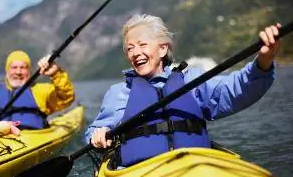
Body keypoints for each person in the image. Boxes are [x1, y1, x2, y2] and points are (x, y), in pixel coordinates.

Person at [85, 14, 282, 167]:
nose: (136, 53)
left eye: (142, 45)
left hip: (195, 166)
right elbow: (96, 131)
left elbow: (234, 89)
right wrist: (98, 135)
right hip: (141, 175)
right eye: (129, 48)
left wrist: (263, 61)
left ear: (162, 49)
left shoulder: (191, 80)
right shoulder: (120, 92)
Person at [0, 50, 75, 129]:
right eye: (14, 67)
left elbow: (66, 98)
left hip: (34, 138)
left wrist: (56, 74)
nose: (18, 72)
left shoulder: (41, 91)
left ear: (29, 71)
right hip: (1, 140)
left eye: (23, 68)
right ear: (7, 71)